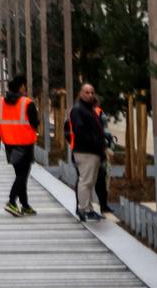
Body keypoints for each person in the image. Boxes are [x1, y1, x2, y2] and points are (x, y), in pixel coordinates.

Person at [0, 76, 42, 216]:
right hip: (25, 144)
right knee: (23, 175)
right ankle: (11, 201)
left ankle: (25, 205)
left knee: (19, 174)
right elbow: (35, 123)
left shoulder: (0, 102)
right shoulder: (27, 103)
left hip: (9, 144)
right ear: (22, 87)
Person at [66, 84, 107, 221]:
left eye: (92, 92)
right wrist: (95, 142)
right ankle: (84, 209)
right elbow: (80, 130)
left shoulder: (88, 109)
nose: (90, 95)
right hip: (85, 151)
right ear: (81, 93)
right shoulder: (78, 110)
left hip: (93, 151)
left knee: (89, 182)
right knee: (85, 181)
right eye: (87, 92)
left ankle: (88, 208)